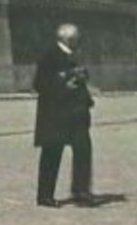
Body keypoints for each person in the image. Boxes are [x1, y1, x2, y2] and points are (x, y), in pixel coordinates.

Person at [34, 23, 95, 207]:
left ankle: (81, 190)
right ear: (69, 39)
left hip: (76, 113)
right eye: (77, 38)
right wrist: (64, 84)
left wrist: (82, 76)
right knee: (52, 153)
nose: (79, 41)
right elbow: (39, 83)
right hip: (56, 114)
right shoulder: (49, 56)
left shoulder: (73, 55)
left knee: (83, 150)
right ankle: (45, 195)